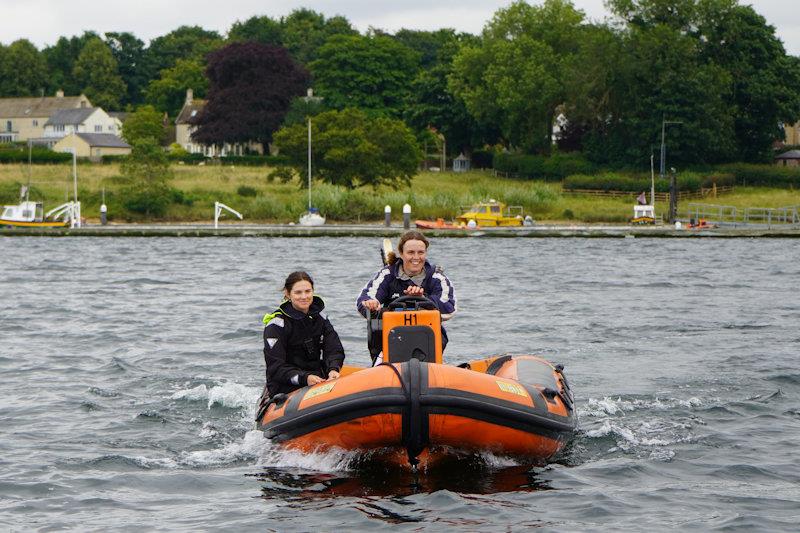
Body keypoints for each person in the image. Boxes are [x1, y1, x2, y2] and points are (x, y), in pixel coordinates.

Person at [356, 230, 456, 353]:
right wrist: (370, 304)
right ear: (401, 254)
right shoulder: (387, 274)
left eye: (420, 252)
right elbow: (365, 299)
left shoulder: (437, 278)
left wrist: (424, 298)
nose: (416, 257)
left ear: (426, 253)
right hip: (390, 341)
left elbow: (449, 309)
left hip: (427, 342)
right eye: (410, 252)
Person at [263, 271, 345, 396]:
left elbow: (334, 349)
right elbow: (276, 368)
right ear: (287, 294)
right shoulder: (276, 325)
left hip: (318, 381)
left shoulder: (320, 319)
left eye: (308, 291)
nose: (304, 296)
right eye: (298, 292)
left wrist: (333, 369)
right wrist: (305, 378)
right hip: (286, 387)